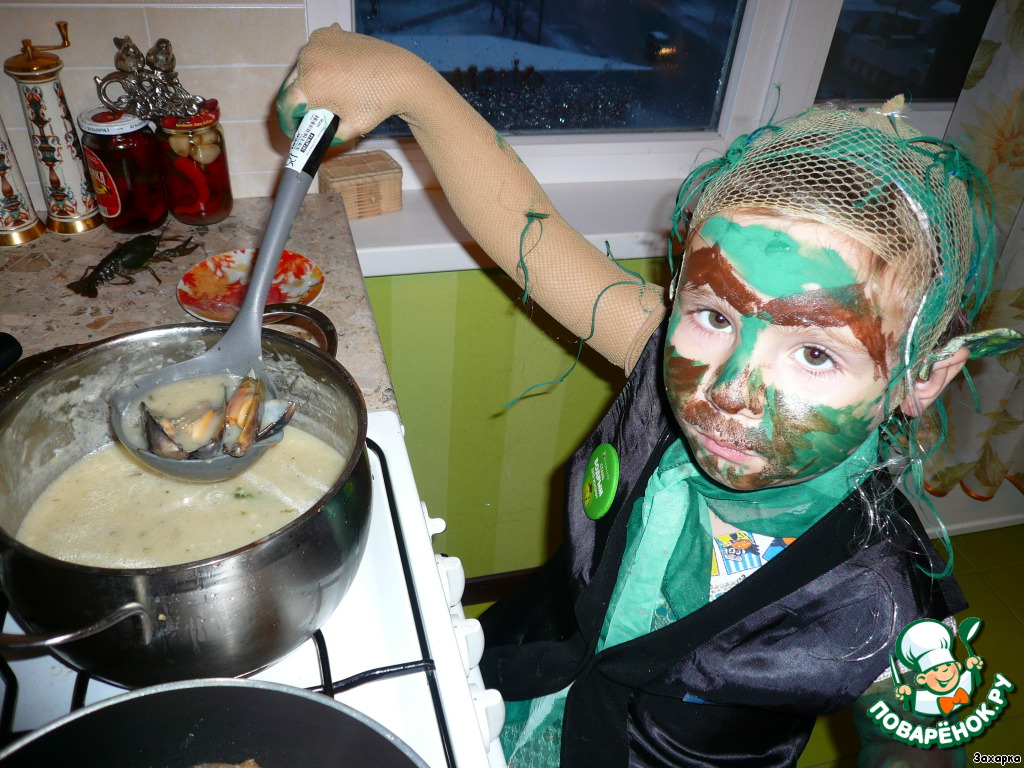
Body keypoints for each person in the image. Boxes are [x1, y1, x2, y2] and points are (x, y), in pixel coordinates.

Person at [278, 25, 1022, 767]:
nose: (728, 391)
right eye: (715, 317)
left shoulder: (885, 603)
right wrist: (408, 82)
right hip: (506, 686)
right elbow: (530, 237)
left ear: (922, 376)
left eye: (816, 354)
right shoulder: (663, 352)